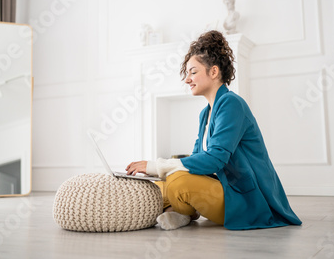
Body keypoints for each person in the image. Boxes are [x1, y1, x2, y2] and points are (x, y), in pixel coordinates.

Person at [126, 30, 302, 231]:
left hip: (247, 198)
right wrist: (159, 172)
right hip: (224, 187)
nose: (187, 79)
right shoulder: (205, 113)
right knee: (156, 187)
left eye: (193, 72)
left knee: (177, 183)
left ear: (214, 72)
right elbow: (198, 158)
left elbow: (215, 159)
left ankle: (183, 212)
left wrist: (157, 165)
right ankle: (184, 213)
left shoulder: (231, 103)